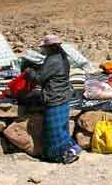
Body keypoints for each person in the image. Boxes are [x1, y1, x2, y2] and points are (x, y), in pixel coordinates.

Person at [25, 35, 81, 164]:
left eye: (44, 48)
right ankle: (73, 149)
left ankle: (60, 155)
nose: (43, 50)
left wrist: (29, 72)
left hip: (55, 97)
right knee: (61, 129)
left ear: (50, 47)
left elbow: (40, 79)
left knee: (54, 131)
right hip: (63, 96)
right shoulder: (62, 57)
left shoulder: (53, 60)